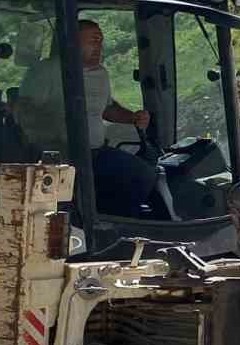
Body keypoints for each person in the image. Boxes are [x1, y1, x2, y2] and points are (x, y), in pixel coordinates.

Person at [21, 18, 169, 216]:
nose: (99, 47)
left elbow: (107, 109)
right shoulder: (47, 70)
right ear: (73, 42)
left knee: (144, 175)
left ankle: (116, 223)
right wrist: (53, 128)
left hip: (95, 153)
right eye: (93, 41)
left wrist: (132, 117)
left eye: (101, 42)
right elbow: (24, 110)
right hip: (59, 155)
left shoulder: (101, 74)